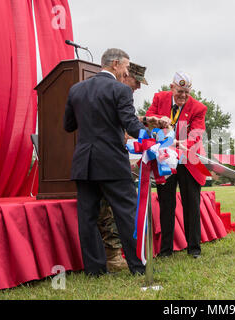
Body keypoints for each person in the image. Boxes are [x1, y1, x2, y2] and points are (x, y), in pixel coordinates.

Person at [63, 48, 158, 276]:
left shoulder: (76, 89)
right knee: (127, 214)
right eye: (126, 67)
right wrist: (152, 138)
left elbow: (68, 126)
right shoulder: (120, 90)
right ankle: (138, 266)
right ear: (115, 64)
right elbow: (131, 125)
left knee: (87, 218)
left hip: (84, 163)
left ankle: (95, 270)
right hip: (112, 163)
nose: (127, 72)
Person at [145, 71, 207, 259]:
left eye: (187, 93)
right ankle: (165, 250)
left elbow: (197, 132)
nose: (183, 96)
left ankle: (194, 248)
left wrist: (183, 143)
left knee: (192, 203)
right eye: (180, 92)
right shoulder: (159, 98)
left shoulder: (198, 107)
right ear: (172, 87)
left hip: (188, 159)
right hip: (165, 159)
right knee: (166, 203)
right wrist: (157, 123)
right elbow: (148, 118)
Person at [97, 61, 149, 272]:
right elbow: (121, 123)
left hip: (113, 158)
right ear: (125, 75)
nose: (137, 87)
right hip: (107, 159)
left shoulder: (117, 92)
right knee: (112, 210)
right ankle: (115, 256)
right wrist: (147, 135)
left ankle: (121, 256)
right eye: (136, 82)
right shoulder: (116, 91)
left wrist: (146, 120)